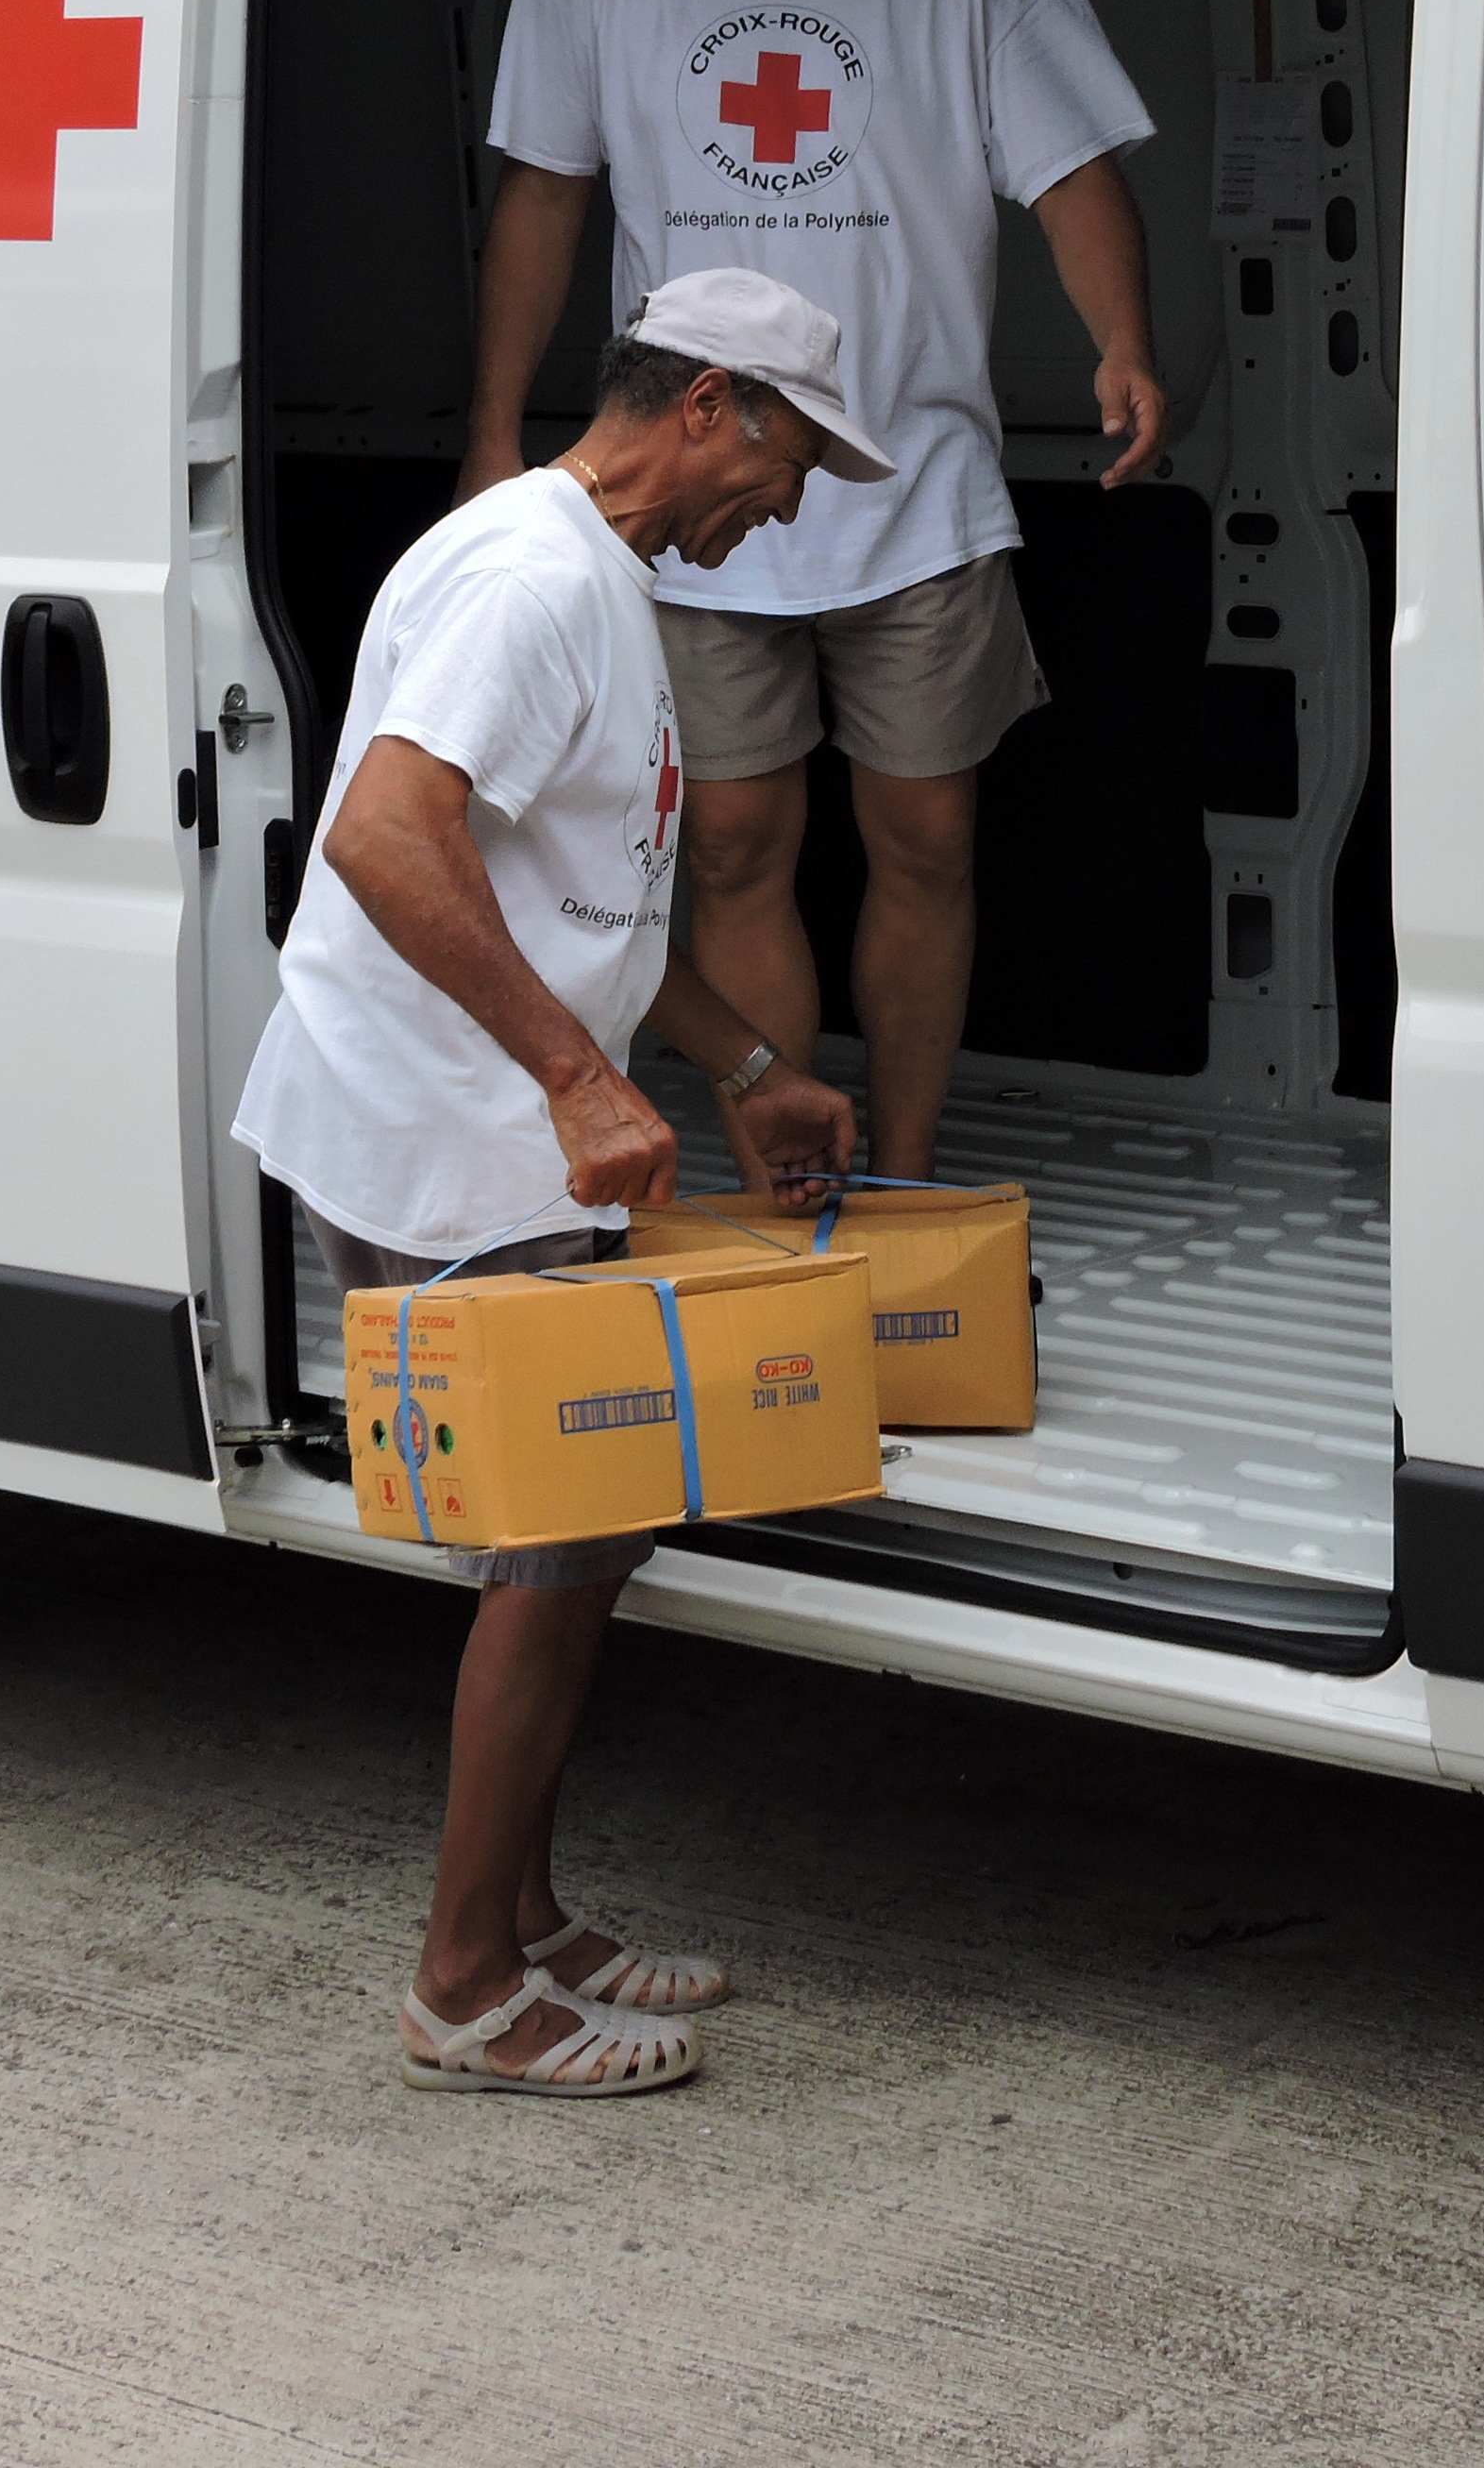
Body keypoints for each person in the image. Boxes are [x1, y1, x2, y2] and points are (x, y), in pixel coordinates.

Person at [235, 269, 882, 2097]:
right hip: (446, 1130)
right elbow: (381, 834)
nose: (795, 507)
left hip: (495, 1113)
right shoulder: (534, 583)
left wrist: (743, 1069)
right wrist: (581, 1080)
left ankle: (521, 1919)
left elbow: (577, 897)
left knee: (583, 1536)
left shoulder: (586, 573)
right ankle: (463, 1986)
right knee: (559, 1544)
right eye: (793, 462)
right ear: (707, 412)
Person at [463, 0, 1164, 1185]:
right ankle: (792, 1187)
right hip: (701, 501)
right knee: (729, 847)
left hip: (914, 488)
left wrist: (1121, 338)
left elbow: (1073, 171)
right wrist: (492, 430)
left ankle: (899, 1186)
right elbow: (543, 195)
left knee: (928, 844)